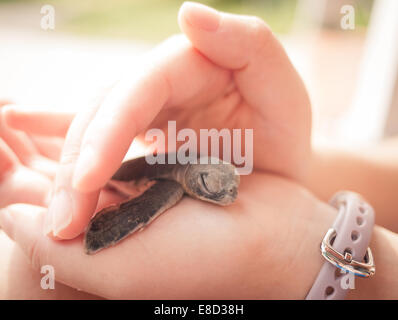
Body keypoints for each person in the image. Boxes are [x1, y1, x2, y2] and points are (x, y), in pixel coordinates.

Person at [0, 2, 397, 299]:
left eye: (230, 186)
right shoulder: (176, 181)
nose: (228, 194)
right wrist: (305, 168)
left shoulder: (216, 177)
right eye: (215, 184)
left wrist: (297, 246)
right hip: (148, 168)